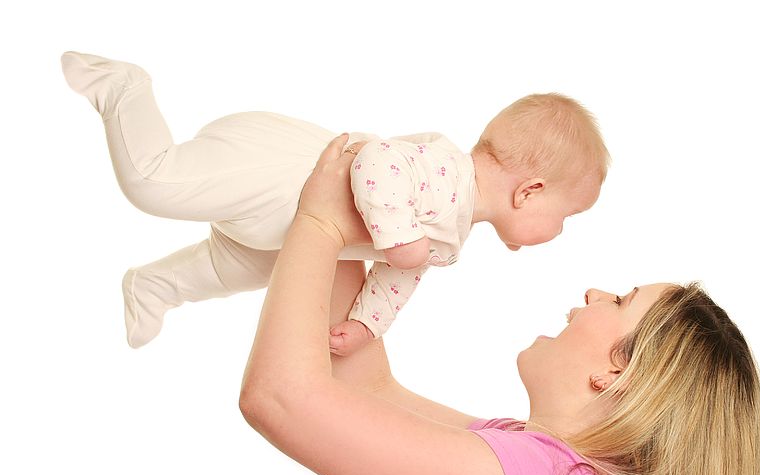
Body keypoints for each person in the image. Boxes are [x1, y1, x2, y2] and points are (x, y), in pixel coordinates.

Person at [239, 135, 760, 475]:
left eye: (621, 301)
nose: (594, 293)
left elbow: (282, 399)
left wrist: (319, 221)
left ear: (617, 374)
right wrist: (363, 203)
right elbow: (365, 387)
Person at [60, 51, 609, 352]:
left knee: (236, 268)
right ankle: (127, 87)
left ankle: (152, 286)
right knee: (154, 182)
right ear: (529, 191)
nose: (559, 232)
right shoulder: (448, 174)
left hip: (286, 222)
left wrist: (368, 323)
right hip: (283, 171)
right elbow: (376, 162)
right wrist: (399, 238)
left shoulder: (455, 227)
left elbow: (398, 277)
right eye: (566, 217)